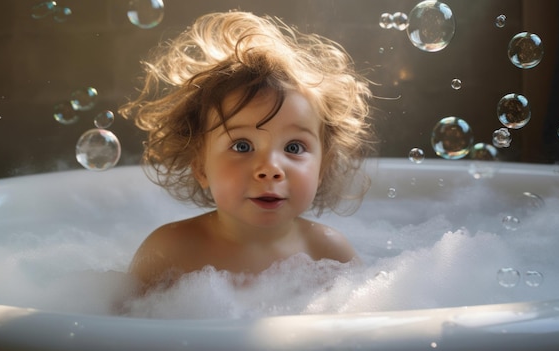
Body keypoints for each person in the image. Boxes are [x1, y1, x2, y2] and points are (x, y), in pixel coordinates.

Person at [119, 11, 374, 292]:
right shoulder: (169, 252)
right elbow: (123, 329)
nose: (270, 168)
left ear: (322, 168)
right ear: (200, 167)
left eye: (293, 147)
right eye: (242, 146)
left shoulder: (329, 254)